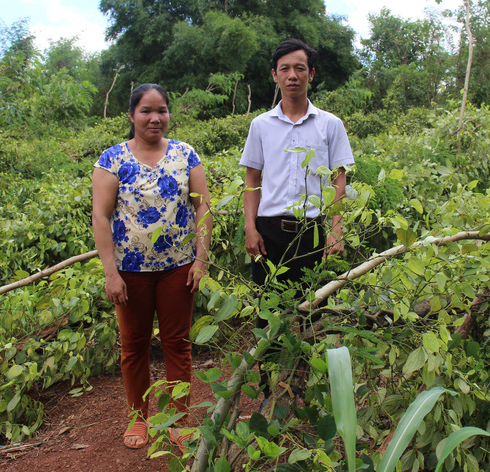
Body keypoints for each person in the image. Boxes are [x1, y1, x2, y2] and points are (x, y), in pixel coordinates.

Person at [92, 83, 212, 449]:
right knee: (133, 346)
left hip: (178, 267)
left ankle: (178, 419)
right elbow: (100, 215)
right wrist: (111, 273)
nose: (155, 118)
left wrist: (201, 260)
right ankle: (138, 418)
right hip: (129, 271)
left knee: (178, 343)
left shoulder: (185, 155)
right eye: (146, 110)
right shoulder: (111, 159)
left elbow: (203, 207)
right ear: (131, 115)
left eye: (161, 110)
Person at [240, 38, 354, 397]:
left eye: (300, 68)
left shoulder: (330, 124)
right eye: (285, 69)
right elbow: (252, 180)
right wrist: (249, 226)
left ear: (311, 75)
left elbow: (339, 180)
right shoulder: (261, 125)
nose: (293, 75)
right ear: (275, 76)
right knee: (267, 311)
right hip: (268, 231)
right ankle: (269, 387)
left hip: (312, 233)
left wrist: (335, 231)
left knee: (310, 310)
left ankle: (300, 387)